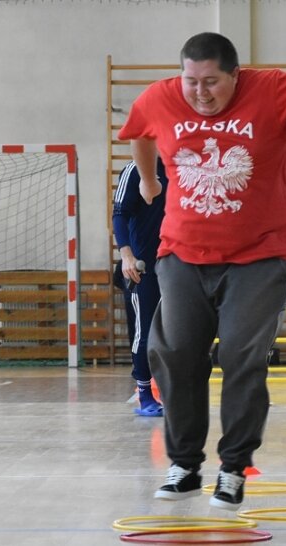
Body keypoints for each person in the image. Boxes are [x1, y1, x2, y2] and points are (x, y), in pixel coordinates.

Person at [117, 32, 286, 511]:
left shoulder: (269, 90)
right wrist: (147, 179)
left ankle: (233, 467)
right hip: (183, 252)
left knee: (243, 354)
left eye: (212, 82)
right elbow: (139, 130)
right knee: (175, 351)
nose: (201, 93)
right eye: (192, 81)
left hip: (260, 253)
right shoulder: (161, 95)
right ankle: (184, 465)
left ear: (235, 75)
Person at [112, 158, 168, 417]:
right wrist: (126, 256)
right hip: (144, 268)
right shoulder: (135, 169)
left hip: (178, 266)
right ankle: (144, 392)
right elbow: (120, 213)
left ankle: (173, 392)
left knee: (179, 334)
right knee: (144, 332)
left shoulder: (182, 165)